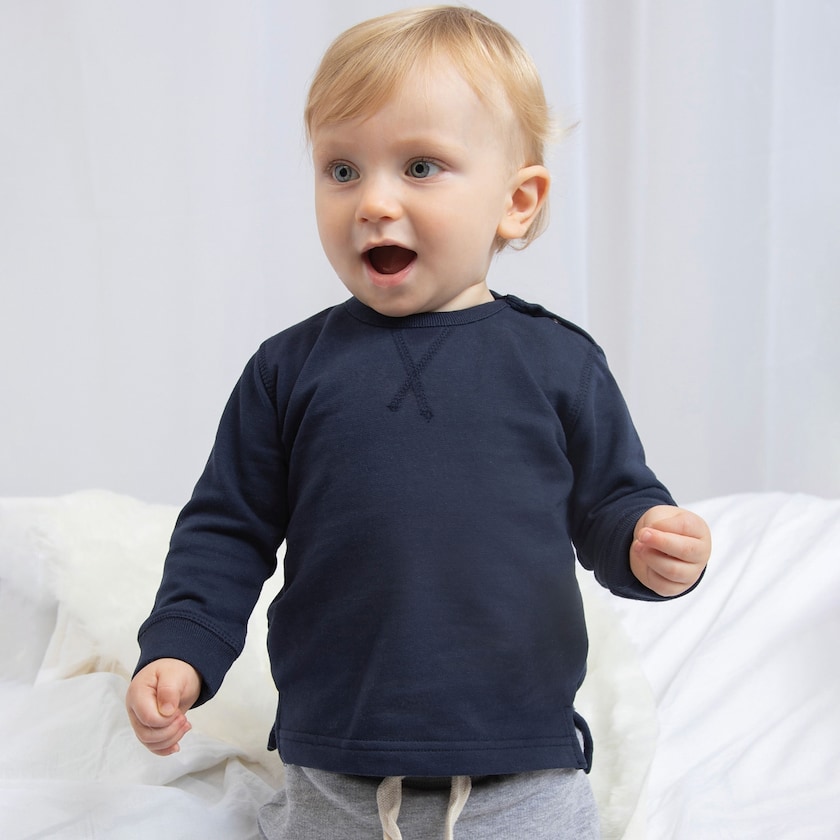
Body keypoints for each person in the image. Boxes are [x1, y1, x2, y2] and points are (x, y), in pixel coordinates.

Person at [126, 6, 711, 839]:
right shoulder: (286, 371)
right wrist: (182, 645)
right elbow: (227, 528)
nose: (373, 201)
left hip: (523, 772)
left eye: (421, 166)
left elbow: (612, 504)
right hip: (335, 771)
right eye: (341, 169)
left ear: (517, 201)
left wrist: (650, 544)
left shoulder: (558, 363)